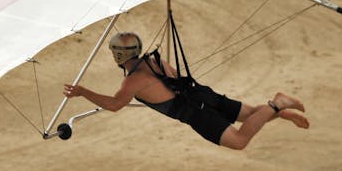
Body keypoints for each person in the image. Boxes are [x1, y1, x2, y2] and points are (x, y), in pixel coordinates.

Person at [62, 32, 309, 150]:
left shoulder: (132, 81)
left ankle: (277, 103)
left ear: (117, 54)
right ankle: (281, 113)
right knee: (253, 114)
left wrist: (84, 92)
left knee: (239, 141)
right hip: (203, 94)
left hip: (196, 113)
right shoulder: (155, 61)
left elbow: (115, 105)